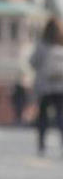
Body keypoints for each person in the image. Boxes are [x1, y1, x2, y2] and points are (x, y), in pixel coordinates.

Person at [29, 16, 63, 154]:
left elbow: (32, 62)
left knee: (43, 116)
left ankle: (42, 145)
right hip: (61, 87)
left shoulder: (42, 44)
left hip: (45, 87)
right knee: (61, 116)